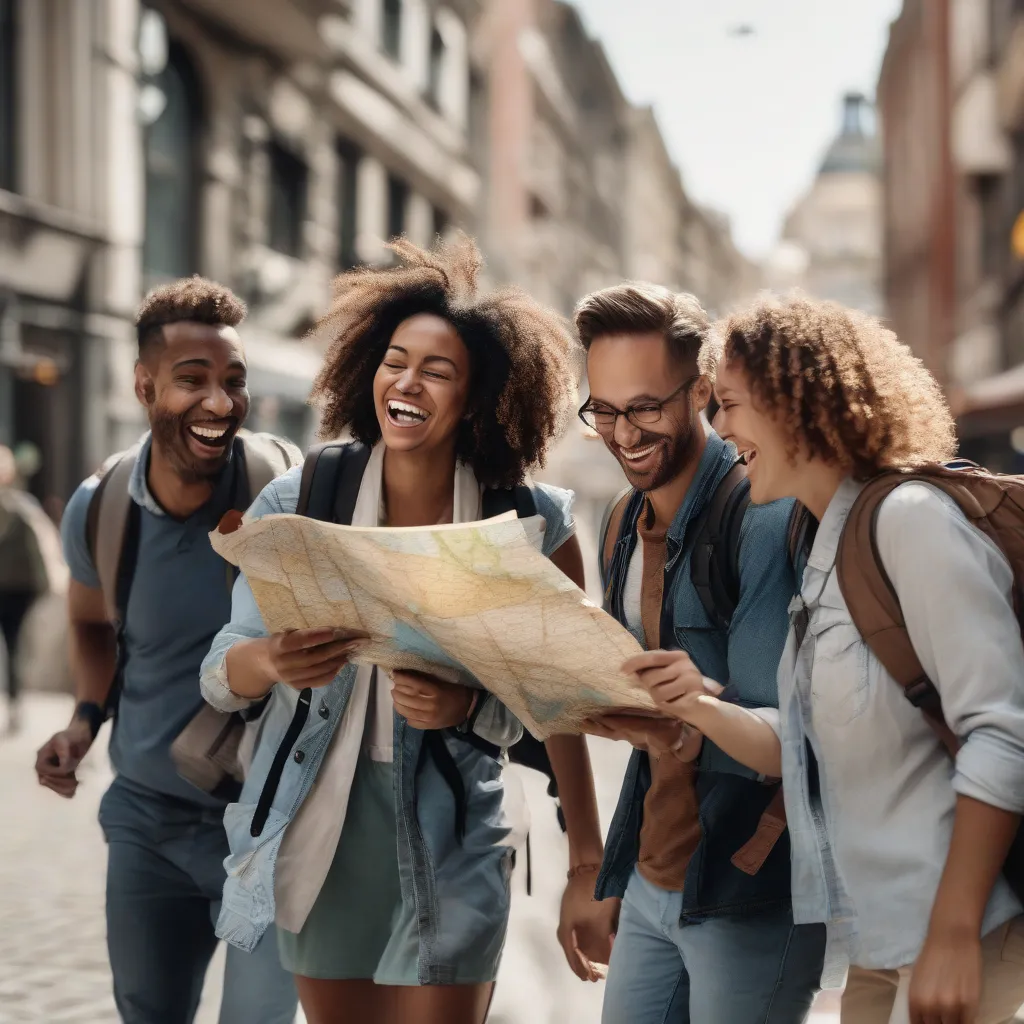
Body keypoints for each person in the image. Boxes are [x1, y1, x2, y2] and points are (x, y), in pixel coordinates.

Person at [199, 236, 611, 1024]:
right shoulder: (300, 499)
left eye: (438, 369)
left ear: (478, 395)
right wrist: (275, 658)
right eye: (395, 360)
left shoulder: (533, 521)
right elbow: (221, 675)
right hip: (321, 829)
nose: (408, 381)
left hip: (456, 832)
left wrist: (584, 859)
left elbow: (562, 704)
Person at [639, 294, 1024, 1024]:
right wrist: (695, 704)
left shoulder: (911, 523)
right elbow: (811, 749)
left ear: (796, 405)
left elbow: (1003, 732)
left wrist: (951, 933)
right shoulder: (825, 549)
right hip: (882, 946)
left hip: (961, 933)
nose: (718, 428)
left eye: (730, 405)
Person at [34, 278, 299, 1024]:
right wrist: (85, 721)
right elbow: (91, 624)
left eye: (233, 382)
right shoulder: (102, 506)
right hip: (146, 823)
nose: (220, 402)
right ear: (144, 386)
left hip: (268, 832)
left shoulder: (283, 493)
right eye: (193, 381)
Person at [573, 282, 825, 1024]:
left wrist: (692, 705)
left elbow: (779, 743)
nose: (623, 435)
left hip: (748, 885)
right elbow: (654, 726)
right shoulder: (621, 518)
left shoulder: (761, 513)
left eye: (645, 407)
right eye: (605, 412)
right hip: (652, 874)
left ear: (703, 394)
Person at [0, 444, 64, 733]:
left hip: (14, 590)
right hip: (19, 590)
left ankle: (13, 701)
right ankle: (14, 701)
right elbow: (40, 550)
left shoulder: (21, 507)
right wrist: (46, 585)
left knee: (13, 646)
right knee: (15, 646)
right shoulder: (23, 507)